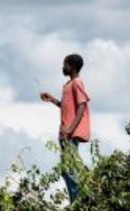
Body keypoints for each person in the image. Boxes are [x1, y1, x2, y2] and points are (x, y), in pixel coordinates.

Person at [40, 54, 91, 202]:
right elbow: (67, 107)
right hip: (64, 133)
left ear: (72, 67)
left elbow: (81, 106)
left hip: (69, 133)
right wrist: (52, 100)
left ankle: (80, 200)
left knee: (70, 168)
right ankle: (75, 200)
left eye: (65, 65)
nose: (63, 67)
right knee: (66, 170)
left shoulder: (77, 83)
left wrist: (70, 129)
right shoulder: (69, 85)